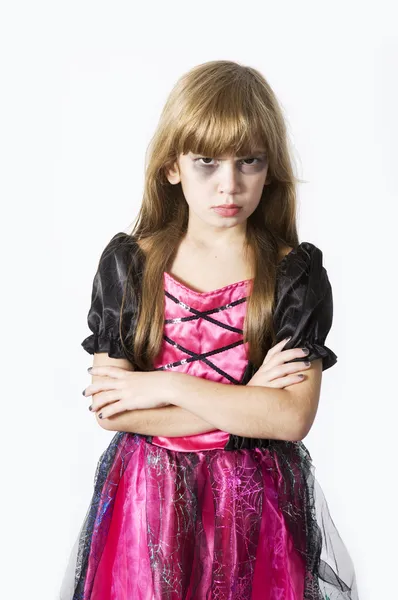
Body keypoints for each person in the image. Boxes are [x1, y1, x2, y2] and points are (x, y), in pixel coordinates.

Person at [60, 60, 359, 599]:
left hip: (254, 505)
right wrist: (247, 405)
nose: (230, 184)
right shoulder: (132, 266)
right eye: (207, 162)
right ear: (173, 166)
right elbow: (111, 411)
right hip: (146, 501)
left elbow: (290, 418)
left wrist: (166, 384)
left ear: (269, 169)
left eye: (249, 161)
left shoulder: (293, 276)